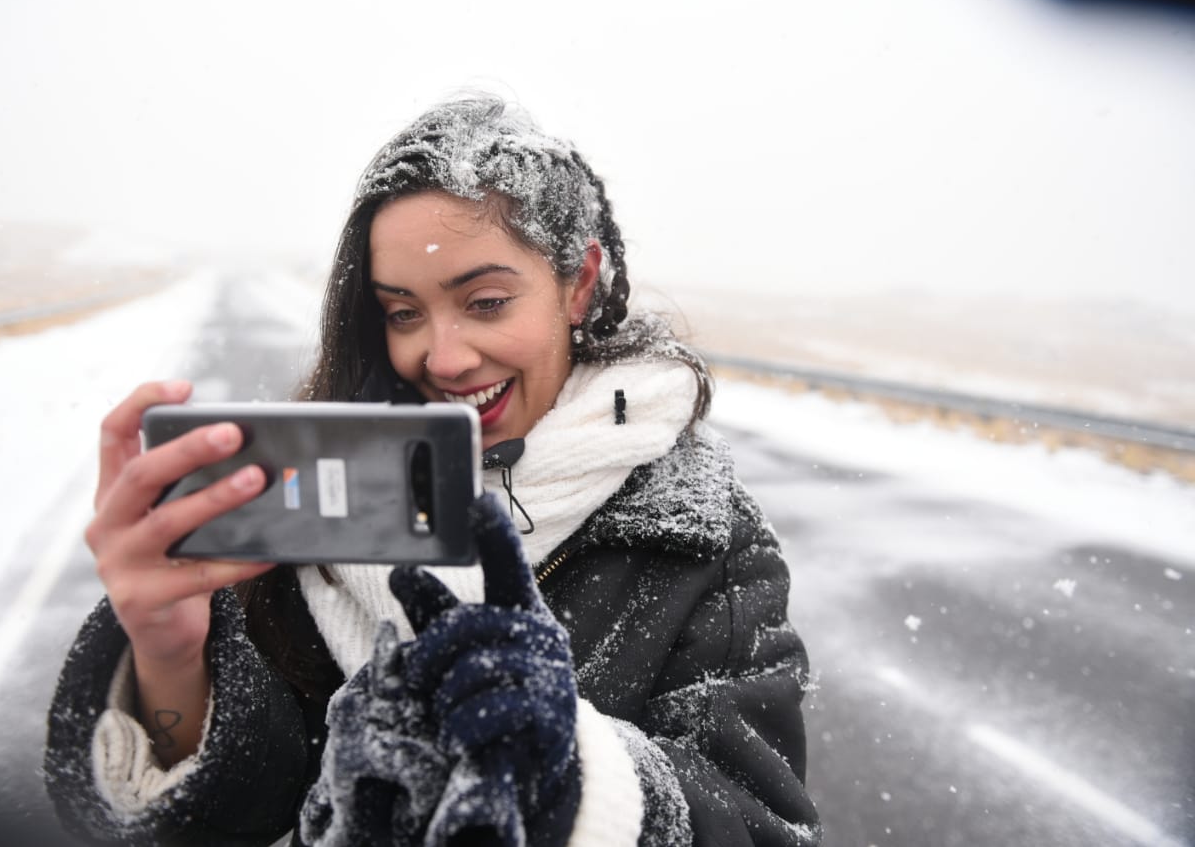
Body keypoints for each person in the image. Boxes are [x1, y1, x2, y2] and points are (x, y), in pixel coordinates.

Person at [44, 96, 821, 846]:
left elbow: (760, 825)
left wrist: (571, 784)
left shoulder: (697, 533)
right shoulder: (322, 498)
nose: (442, 359)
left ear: (578, 283)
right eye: (403, 313)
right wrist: (169, 655)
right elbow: (229, 816)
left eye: (484, 302)